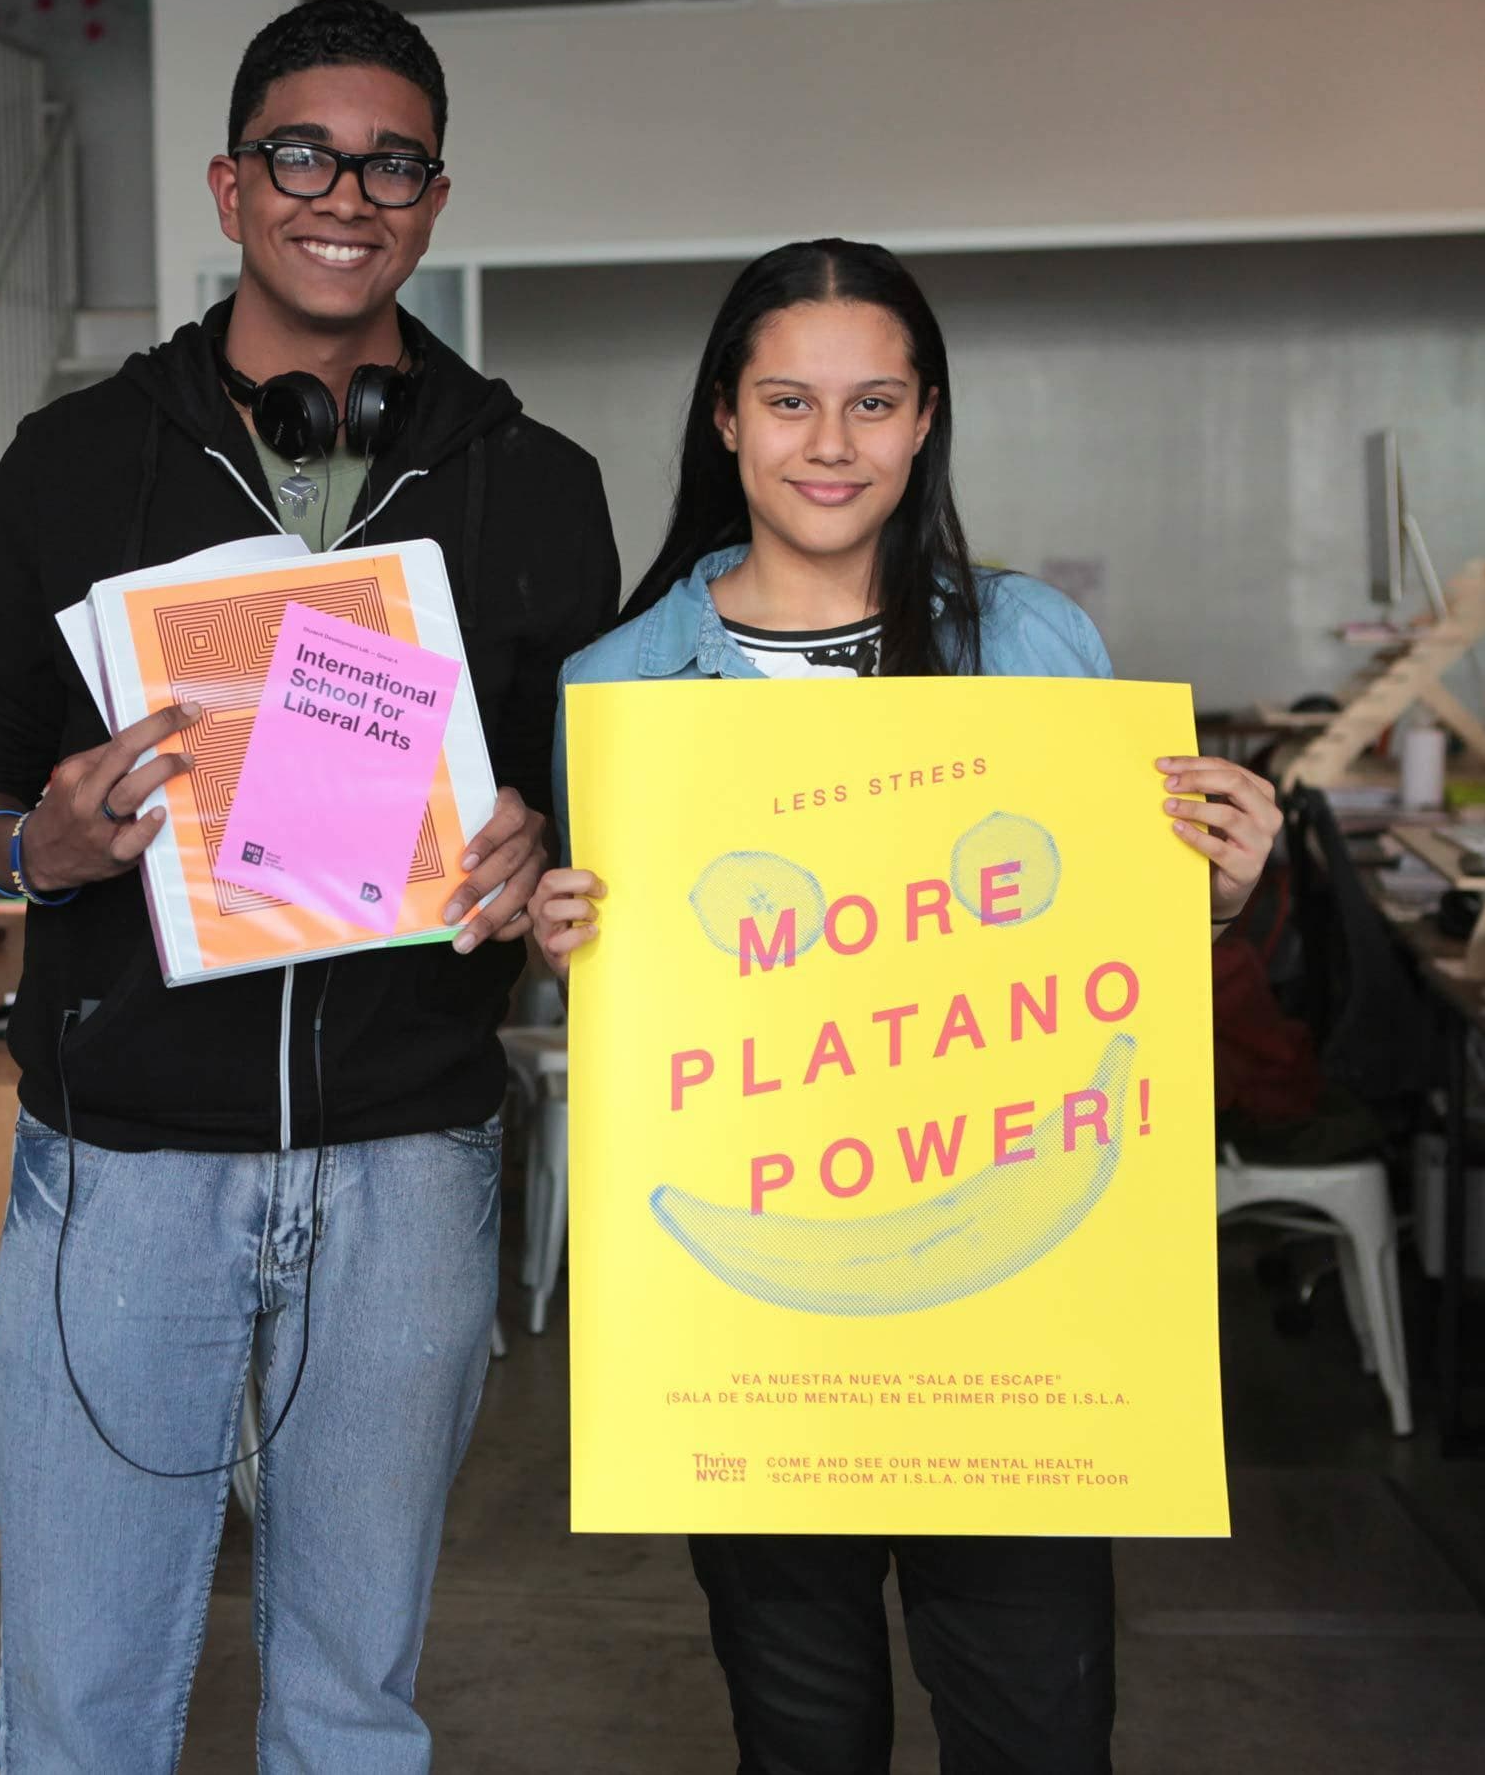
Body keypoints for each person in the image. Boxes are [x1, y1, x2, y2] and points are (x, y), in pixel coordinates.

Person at [0, 0, 618, 1774]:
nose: (345, 191)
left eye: (392, 161)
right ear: (233, 184)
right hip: (123, 1167)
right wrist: (37, 849)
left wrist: (536, 839)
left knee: (351, 1699)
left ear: (435, 199)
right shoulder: (75, 463)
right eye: (304, 152)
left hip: (411, 1161)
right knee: (81, 1701)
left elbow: (580, 811)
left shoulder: (537, 487)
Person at [535, 239, 1279, 1774]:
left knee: (1038, 1735)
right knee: (801, 1744)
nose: (831, 443)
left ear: (927, 418)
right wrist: (559, 941)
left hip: (1019, 1305)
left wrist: (1207, 894)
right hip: (754, 1316)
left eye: (873, 402)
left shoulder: (1034, 643)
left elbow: (1102, 974)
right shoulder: (618, 687)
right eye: (789, 401)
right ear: (726, 418)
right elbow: (626, 992)